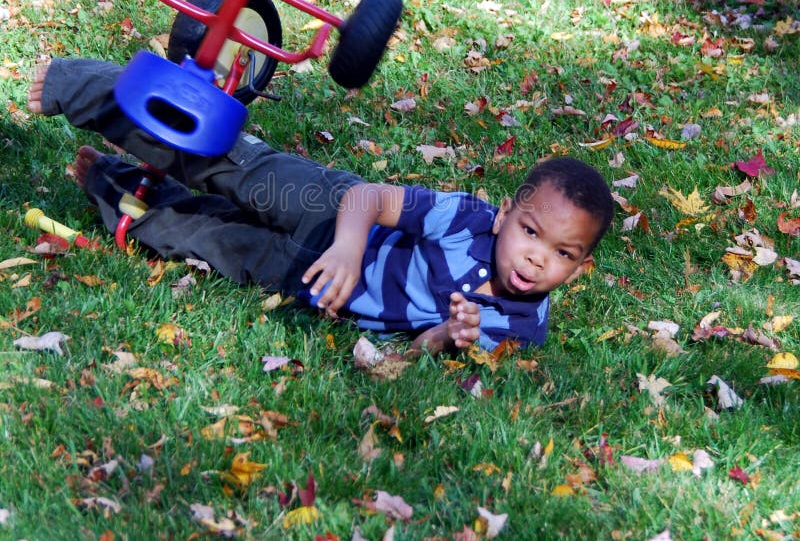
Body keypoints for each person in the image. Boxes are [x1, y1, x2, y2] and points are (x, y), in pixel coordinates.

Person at [27, 57, 614, 354]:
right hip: (331, 211)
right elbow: (369, 198)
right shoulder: (466, 219)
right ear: (507, 214)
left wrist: (444, 337)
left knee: (197, 238)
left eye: (562, 253)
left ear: (581, 267)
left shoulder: (521, 326)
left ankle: (108, 181)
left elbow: (411, 352)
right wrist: (349, 250)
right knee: (230, 164)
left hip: (304, 280)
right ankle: (76, 85)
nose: (537, 259)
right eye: (532, 232)